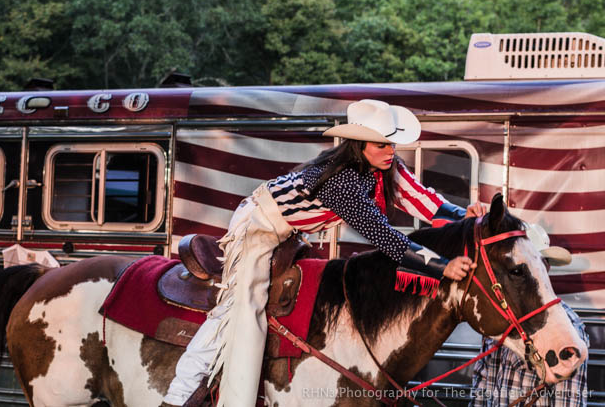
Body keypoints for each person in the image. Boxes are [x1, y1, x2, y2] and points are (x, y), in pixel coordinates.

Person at [162, 99, 485, 407]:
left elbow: (423, 200)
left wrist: (469, 217)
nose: (390, 151)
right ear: (359, 145)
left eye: (391, 143)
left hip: (289, 231)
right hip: (257, 226)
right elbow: (383, 236)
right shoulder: (340, 182)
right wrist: (440, 267)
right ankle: (181, 393)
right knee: (243, 308)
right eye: (382, 144)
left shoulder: (384, 165)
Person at [470, 223, 590, 407]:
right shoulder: (498, 316)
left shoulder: (568, 327)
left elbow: (567, 399)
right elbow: (483, 379)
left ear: (545, 268)